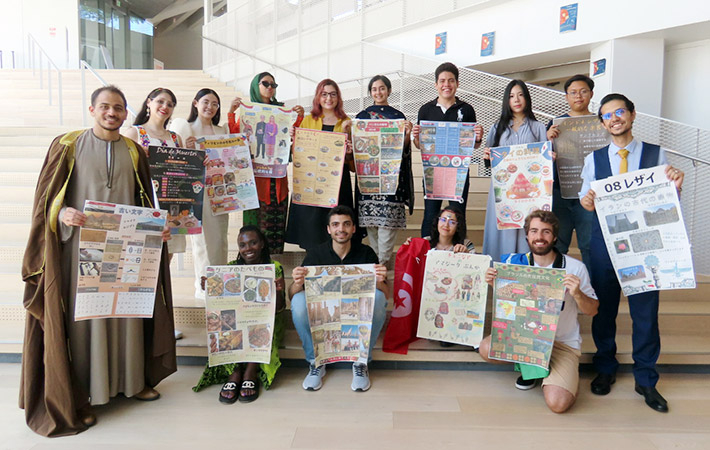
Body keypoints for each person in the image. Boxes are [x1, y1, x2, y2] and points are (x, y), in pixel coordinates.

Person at [20, 86, 176, 436]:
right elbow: (45, 202)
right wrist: (63, 215)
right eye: (105, 107)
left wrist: (157, 232)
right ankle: (85, 395)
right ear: (92, 109)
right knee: (86, 321)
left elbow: (142, 202)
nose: (112, 113)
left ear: (125, 113)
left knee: (127, 314)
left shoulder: (135, 151)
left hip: (126, 251)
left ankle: (133, 383)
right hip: (80, 252)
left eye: (119, 108)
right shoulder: (67, 145)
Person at [580, 93, 684, 413]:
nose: (614, 119)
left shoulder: (656, 153)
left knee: (645, 312)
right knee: (604, 309)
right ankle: (606, 368)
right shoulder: (592, 159)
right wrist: (587, 201)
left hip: (645, 245)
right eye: (607, 115)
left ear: (632, 115)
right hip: (604, 243)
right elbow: (587, 199)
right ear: (602, 123)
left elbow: (667, 199)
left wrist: (676, 185)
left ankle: (646, 379)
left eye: (620, 112)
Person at [478, 210, 598, 413]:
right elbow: (511, 303)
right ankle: (531, 368)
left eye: (546, 232)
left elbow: (593, 310)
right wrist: (494, 284)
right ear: (527, 235)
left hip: (561, 345)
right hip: (526, 337)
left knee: (558, 404)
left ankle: (554, 373)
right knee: (486, 348)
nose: (539, 237)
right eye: (534, 231)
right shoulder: (514, 264)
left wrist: (577, 294)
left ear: (555, 236)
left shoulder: (574, 268)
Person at [289, 205, 389, 392]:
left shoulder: (366, 253)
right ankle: (316, 361)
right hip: (326, 312)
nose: (340, 229)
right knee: (298, 302)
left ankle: (361, 361)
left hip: (356, 311)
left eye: (346, 224)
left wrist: (380, 280)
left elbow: (386, 294)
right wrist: (296, 282)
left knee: (379, 296)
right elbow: (292, 294)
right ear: (328, 229)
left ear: (353, 228)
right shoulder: (315, 254)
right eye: (335, 225)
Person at [193, 225, 286, 403]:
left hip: (267, 319)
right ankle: (235, 371)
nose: (248, 248)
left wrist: (279, 291)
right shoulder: (231, 268)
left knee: (258, 324)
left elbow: (279, 308)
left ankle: (251, 369)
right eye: (243, 245)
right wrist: (211, 289)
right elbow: (221, 304)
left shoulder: (273, 267)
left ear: (262, 244)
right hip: (239, 318)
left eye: (253, 243)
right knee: (223, 322)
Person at [228, 72, 305, 254]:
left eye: (273, 84)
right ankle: (255, 269)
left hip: (277, 179)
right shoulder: (249, 112)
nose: (270, 87)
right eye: (265, 83)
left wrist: (299, 118)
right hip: (255, 181)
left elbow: (292, 139)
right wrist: (231, 113)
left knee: (275, 230)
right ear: (256, 85)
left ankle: (275, 270)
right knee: (254, 233)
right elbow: (235, 138)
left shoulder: (282, 111)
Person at [411, 62, 483, 238]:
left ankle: (457, 255)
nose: (446, 85)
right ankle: (427, 255)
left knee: (458, 215)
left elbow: (473, 146)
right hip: (432, 171)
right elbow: (420, 146)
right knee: (430, 215)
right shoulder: (426, 110)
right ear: (436, 84)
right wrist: (416, 137)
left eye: (451, 81)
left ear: (457, 84)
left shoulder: (466, 110)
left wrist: (478, 137)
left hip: (458, 172)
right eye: (442, 81)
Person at [171, 88, 231, 299]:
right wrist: (186, 149)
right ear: (195, 103)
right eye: (206, 102)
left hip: (221, 190)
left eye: (215, 104)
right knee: (202, 241)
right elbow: (175, 162)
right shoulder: (185, 128)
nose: (210, 107)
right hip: (198, 190)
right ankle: (204, 287)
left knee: (220, 239)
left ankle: (220, 283)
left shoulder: (222, 130)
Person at [285, 79, 357, 250]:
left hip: (337, 184)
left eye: (333, 94)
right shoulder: (308, 120)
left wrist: (349, 153)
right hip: (312, 183)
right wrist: (294, 138)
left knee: (338, 227)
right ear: (318, 97)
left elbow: (353, 163)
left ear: (338, 97)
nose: (328, 98)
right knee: (312, 231)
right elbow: (298, 155)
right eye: (324, 94)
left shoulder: (346, 122)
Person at [482, 79, 548, 263]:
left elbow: (544, 161)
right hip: (502, 191)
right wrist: (487, 157)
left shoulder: (539, 127)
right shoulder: (497, 127)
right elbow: (489, 163)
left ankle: (526, 270)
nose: (516, 99)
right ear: (506, 100)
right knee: (502, 231)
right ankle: (497, 270)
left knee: (527, 228)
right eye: (511, 96)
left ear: (526, 98)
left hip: (530, 191)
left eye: (520, 95)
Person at [354, 75, 414, 266]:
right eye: (374, 89)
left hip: (391, 177)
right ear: (370, 92)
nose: (378, 92)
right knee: (371, 224)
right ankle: (375, 263)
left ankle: (382, 262)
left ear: (388, 90)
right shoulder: (362, 117)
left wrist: (407, 134)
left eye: (382, 88)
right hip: (368, 176)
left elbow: (402, 149)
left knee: (386, 223)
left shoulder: (398, 117)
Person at [545, 74, 596, 271]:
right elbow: (540, 161)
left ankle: (592, 292)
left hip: (589, 194)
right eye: (573, 93)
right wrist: (547, 140)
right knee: (557, 244)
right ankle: (555, 290)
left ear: (591, 94)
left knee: (589, 245)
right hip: (560, 192)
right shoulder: (555, 124)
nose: (578, 96)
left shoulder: (601, 123)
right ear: (566, 96)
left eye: (583, 92)